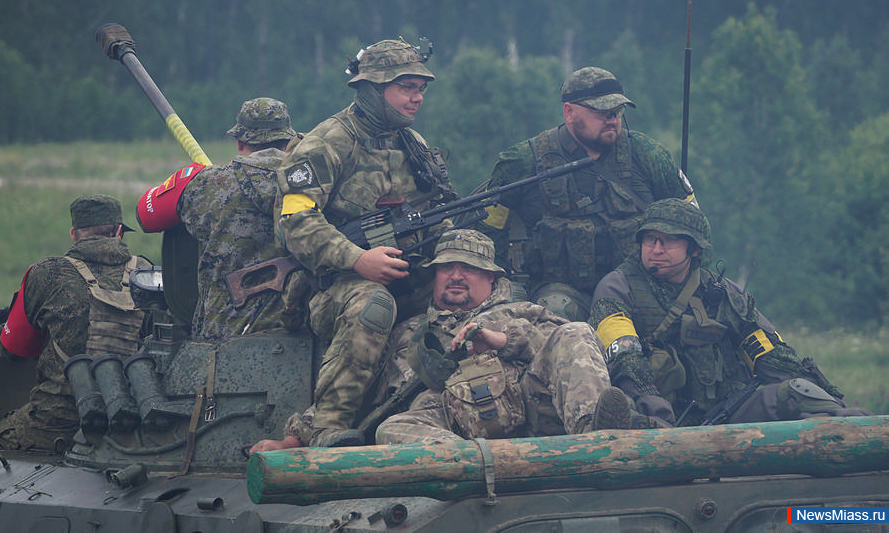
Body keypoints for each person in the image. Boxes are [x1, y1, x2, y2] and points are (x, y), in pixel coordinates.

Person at [250, 229, 630, 452]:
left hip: (531, 418)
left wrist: (500, 339)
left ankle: (595, 441)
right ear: (433, 276)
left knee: (577, 332)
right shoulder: (407, 333)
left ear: (492, 279)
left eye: (469, 269)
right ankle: (478, 472)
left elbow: (571, 347)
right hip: (451, 432)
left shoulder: (521, 312)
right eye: (447, 267)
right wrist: (294, 439)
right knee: (391, 429)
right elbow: (353, 385)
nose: (456, 276)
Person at [275, 37, 457, 448]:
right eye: (407, 88)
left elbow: (440, 213)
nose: (417, 99)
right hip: (333, 289)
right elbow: (295, 222)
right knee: (373, 305)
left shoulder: (415, 146)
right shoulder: (327, 143)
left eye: (421, 89)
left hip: (408, 276)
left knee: (475, 293)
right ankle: (326, 428)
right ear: (373, 90)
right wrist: (357, 259)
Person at [586, 198, 868, 427]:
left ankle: (859, 431)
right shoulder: (617, 287)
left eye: (668, 241)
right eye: (650, 240)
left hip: (727, 415)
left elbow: (772, 356)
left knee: (798, 391)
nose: (656, 249)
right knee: (628, 414)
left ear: (694, 249)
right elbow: (626, 361)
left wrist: (830, 402)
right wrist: (661, 422)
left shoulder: (723, 293)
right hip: (655, 419)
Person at [478, 66, 696, 321]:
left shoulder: (649, 156)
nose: (612, 119)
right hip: (561, 293)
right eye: (601, 112)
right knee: (555, 309)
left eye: (617, 111)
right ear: (569, 112)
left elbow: (693, 228)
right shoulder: (523, 161)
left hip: (637, 288)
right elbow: (486, 232)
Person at [0, 195, 148, 451]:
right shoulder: (145, 271)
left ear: (74, 234)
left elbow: (12, 350)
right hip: (132, 421)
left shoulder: (48, 272)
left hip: (56, 423)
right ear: (119, 231)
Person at [137, 97, 301, 341]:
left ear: (240, 142)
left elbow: (146, 215)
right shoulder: (314, 181)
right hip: (301, 330)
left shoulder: (208, 183)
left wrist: (190, 177)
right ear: (289, 142)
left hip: (223, 333)